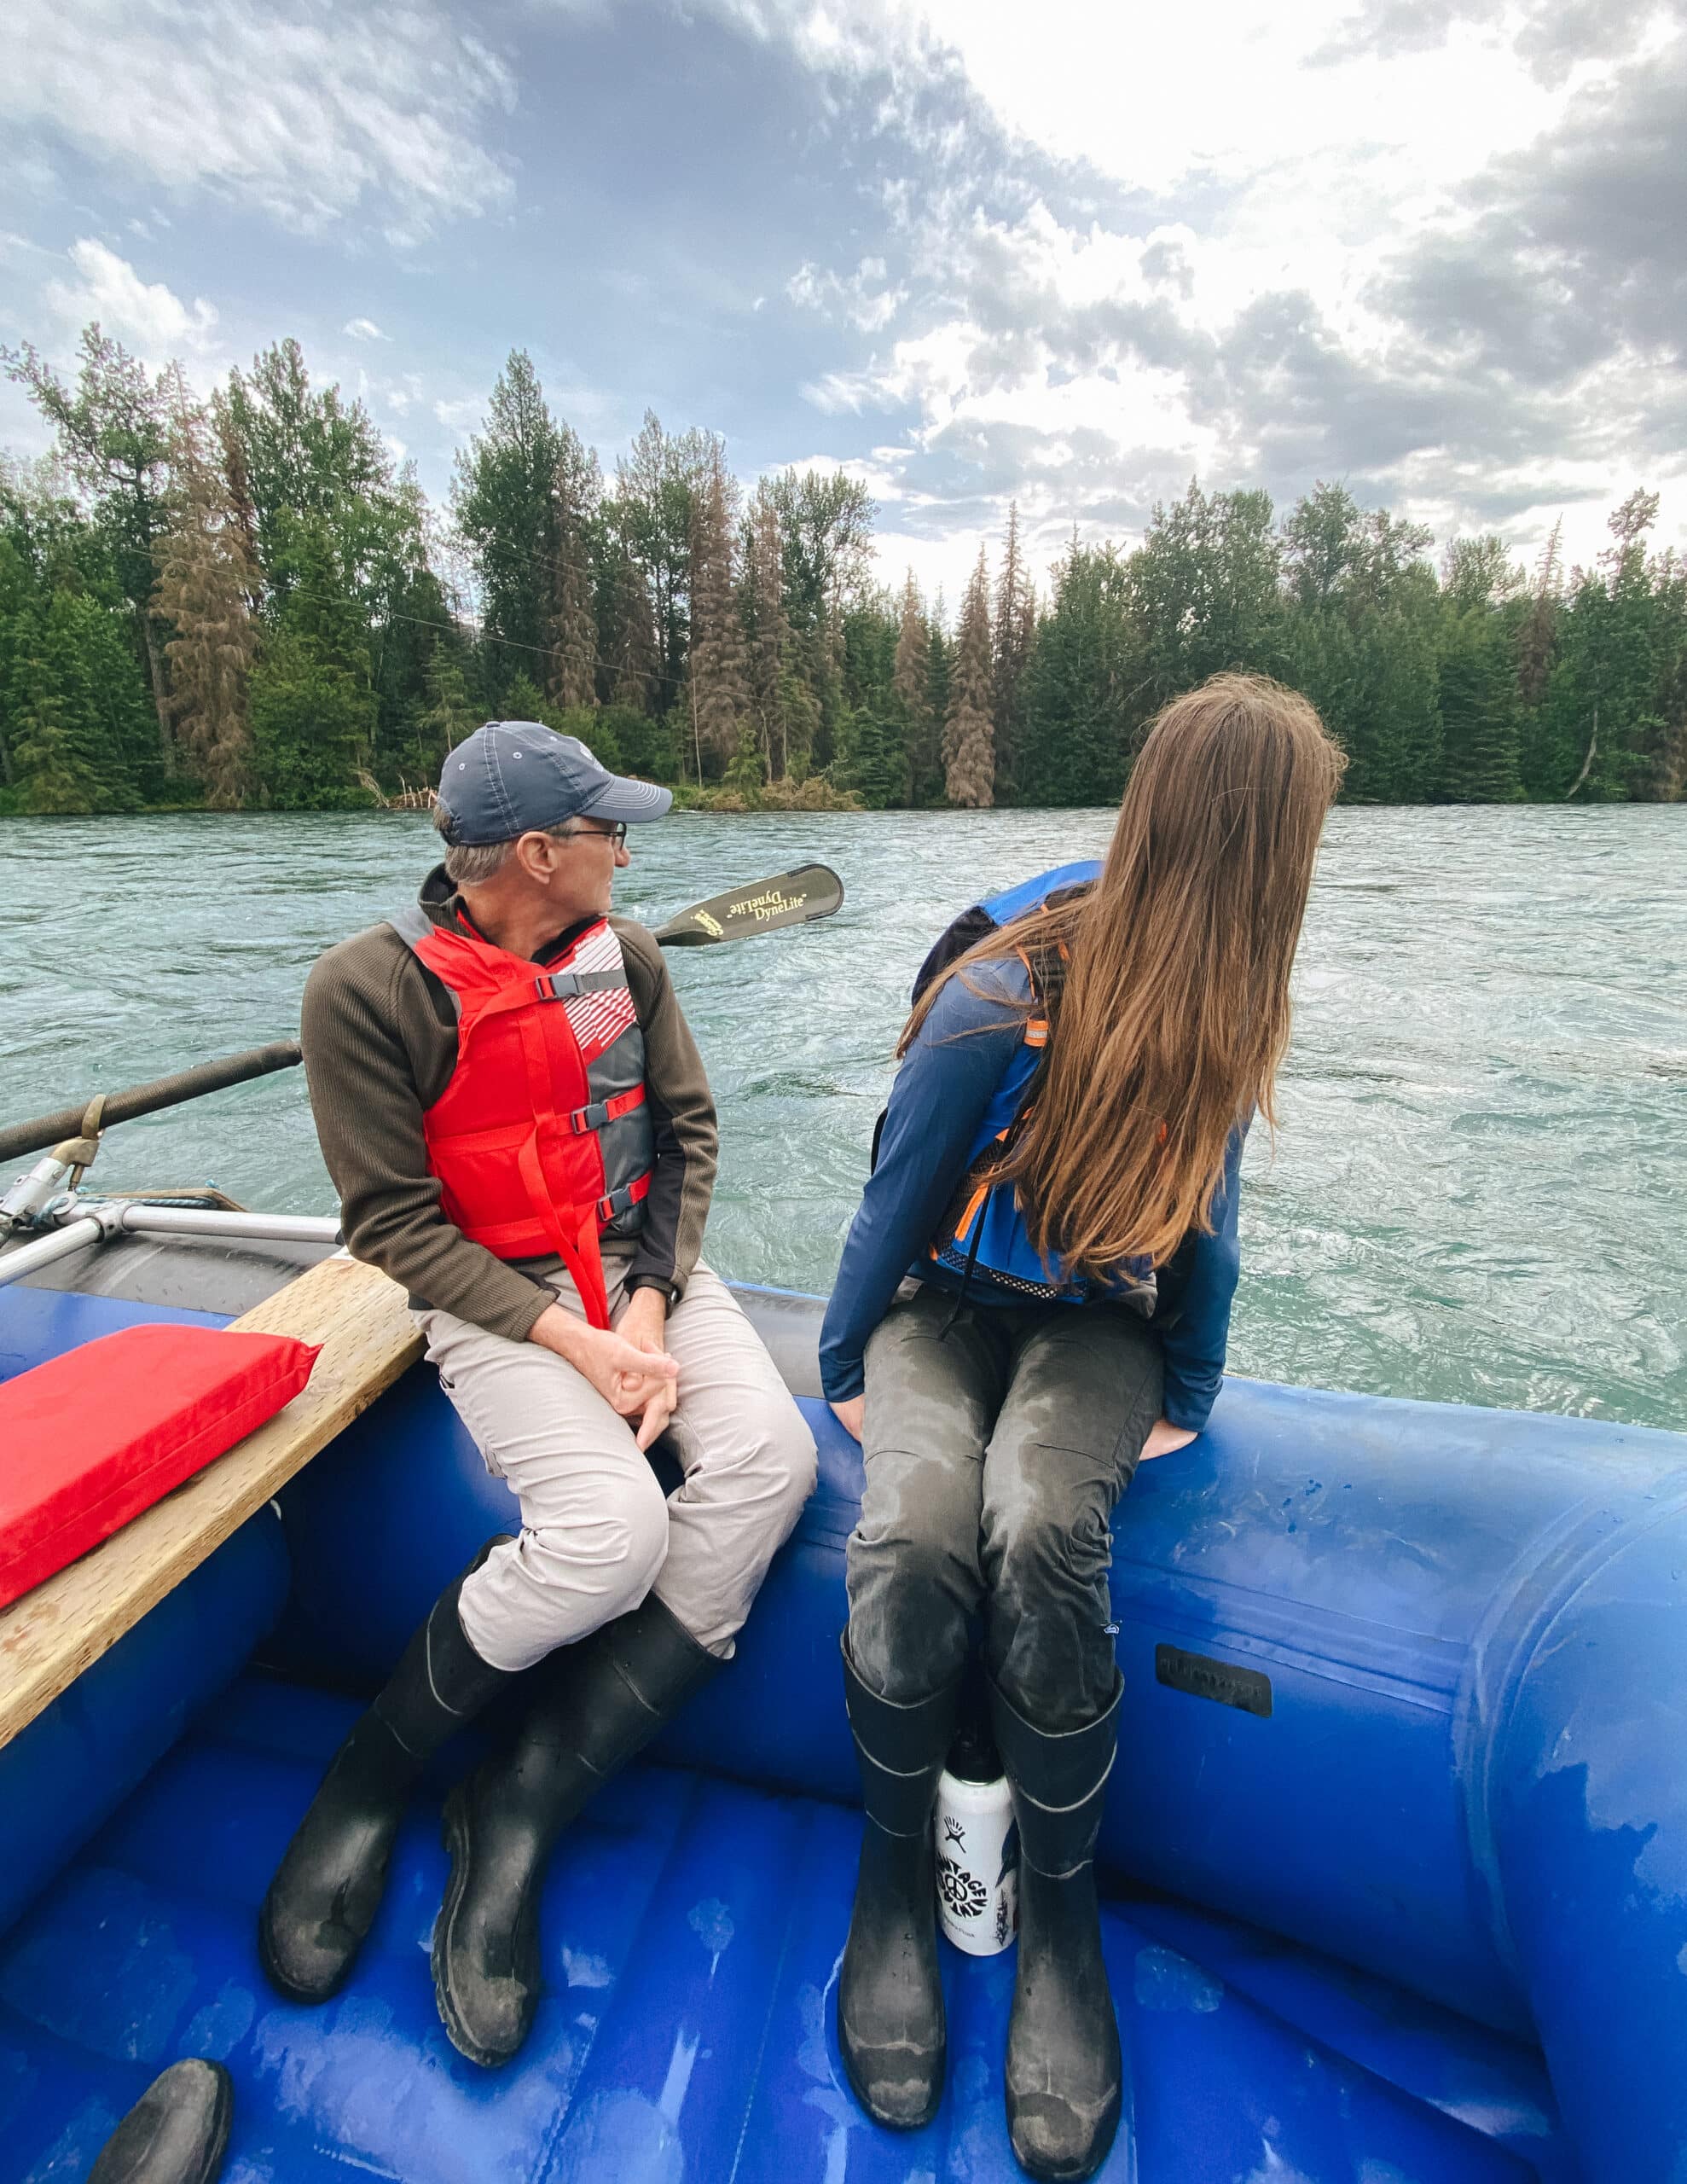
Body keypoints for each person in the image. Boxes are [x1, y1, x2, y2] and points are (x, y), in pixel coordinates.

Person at [820, 674, 1344, 2181]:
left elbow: (1208, 1222)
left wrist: (1186, 1388)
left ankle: (1061, 1929)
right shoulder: (1001, 987)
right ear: (1258, 848)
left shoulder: (1228, 999)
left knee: (1047, 1519)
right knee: (917, 1525)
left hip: (1098, 1323)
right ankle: (887, 1892)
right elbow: (897, 1191)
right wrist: (850, 1362)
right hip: (941, 1300)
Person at [260, 720, 817, 2067]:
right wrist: (571, 1341)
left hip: (639, 1272)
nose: (628, 847)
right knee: (609, 1535)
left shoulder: (621, 959)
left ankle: (519, 1798)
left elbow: (683, 1134)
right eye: (608, 829)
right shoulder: (365, 993)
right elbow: (392, 1225)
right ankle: (368, 1781)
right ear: (537, 853)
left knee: (770, 1468)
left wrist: (643, 1302)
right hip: (495, 1295)